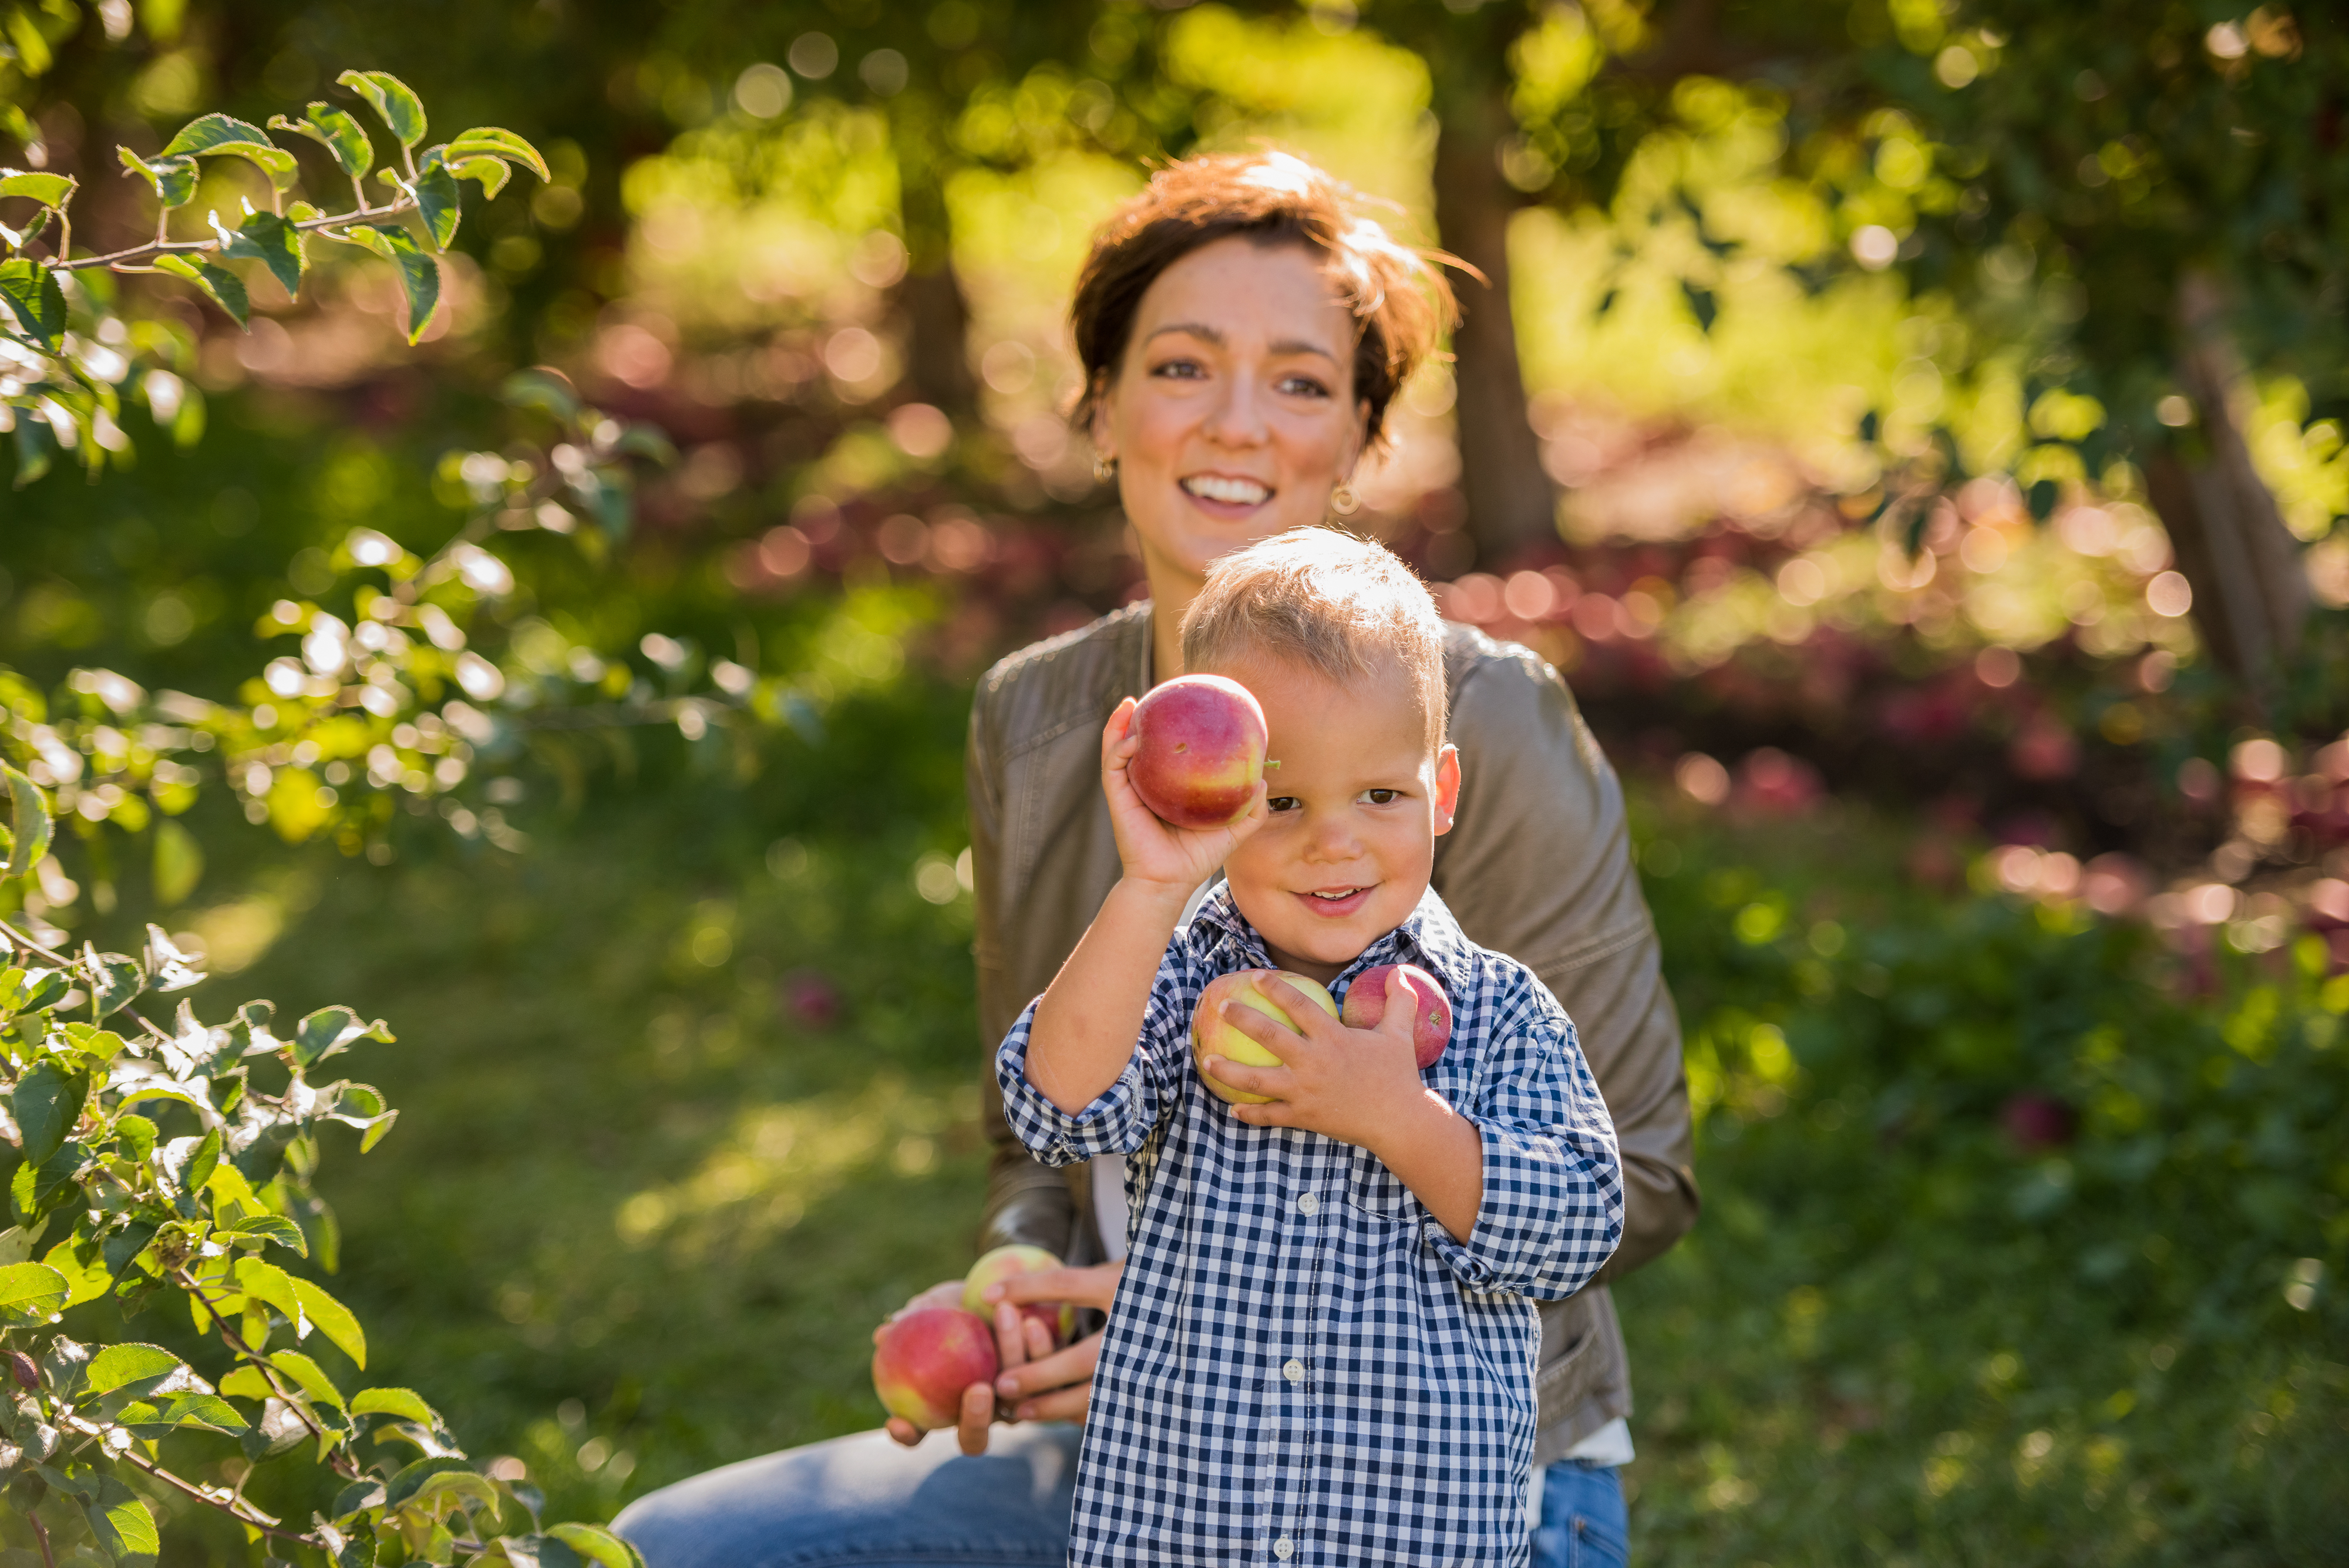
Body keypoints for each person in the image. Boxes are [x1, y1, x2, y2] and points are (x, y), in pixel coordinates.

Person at [617, 150, 1696, 1568]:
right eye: (1181, 366)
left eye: (1302, 382)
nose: (1236, 422)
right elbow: (1040, 1128)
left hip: (1461, 1479)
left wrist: (1266, 1269)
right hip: (1161, 1459)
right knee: (662, 1551)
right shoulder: (1042, 718)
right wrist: (1032, 1278)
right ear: (1101, 406)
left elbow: (1638, 1176)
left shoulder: (1483, 718)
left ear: (1362, 438)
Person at [998, 527, 1625, 1565]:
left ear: (1445, 790)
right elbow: (1057, 1107)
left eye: (1380, 795)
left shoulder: (1499, 1010)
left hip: (1409, 1540)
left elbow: (1575, 1227)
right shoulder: (1181, 977)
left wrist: (1396, 1114)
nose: (1333, 840)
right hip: (1183, 1535)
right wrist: (1152, 884)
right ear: (1214, 796)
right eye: (1281, 802)